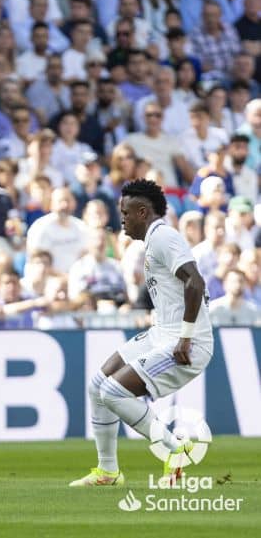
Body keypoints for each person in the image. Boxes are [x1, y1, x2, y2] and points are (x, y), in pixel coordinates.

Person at [69, 179, 213, 487]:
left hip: (186, 342)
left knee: (112, 392)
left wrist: (186, 336)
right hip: (162, 332)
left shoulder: (163, 237)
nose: (121, 218)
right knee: (97, 386)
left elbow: (196, 283)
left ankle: (174, 452)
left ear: (143, 212)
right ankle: (108, 472)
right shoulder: (153, 241)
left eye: (126, 212)